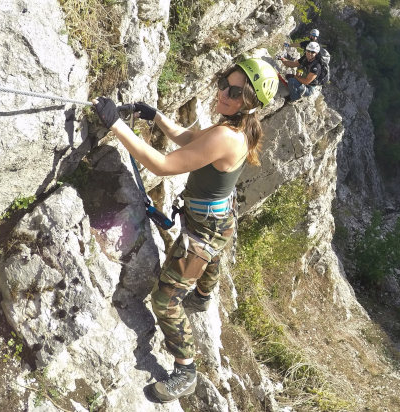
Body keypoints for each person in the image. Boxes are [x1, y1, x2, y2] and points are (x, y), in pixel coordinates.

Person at [92, 58, 279, 403]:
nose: (223, 92)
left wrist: (117, 125)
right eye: (224, 82)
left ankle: (186, 370)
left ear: (249, 102)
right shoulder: (235, 127)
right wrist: (155, 116)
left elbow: (161, 165)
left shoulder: (227, 135)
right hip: (217, 221)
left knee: (165, 300)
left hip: (203, 232)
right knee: (213, 255)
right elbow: (189, 138)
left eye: (234, 91)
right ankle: (204, 295)